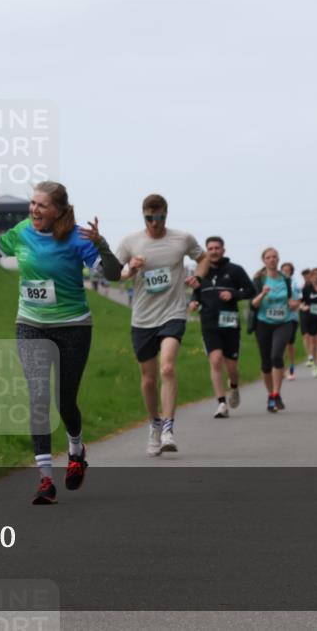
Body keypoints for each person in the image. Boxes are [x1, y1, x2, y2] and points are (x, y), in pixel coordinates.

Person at [0, 184, 120, 504]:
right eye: (32, 204)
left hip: (73, 327)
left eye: (42, 206)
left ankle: (76, 450)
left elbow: (114, 275)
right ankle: (45, 480)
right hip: (30, 325)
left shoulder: (79, 238)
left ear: (59, 210)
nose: (34, 211)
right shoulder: (24, 230)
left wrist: (102, 245)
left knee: (65, 400)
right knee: (38, 398)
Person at [116, 194, 209, 455]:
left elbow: (202, 258)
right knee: (148, 378)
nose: (155, 223)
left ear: (166, 214)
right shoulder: (130, 242)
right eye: (150, 218)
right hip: (143, 318)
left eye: (160, 218)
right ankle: (154, 423)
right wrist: (131, 269)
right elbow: (115, 274)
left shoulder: (182, 239)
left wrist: (198, 278)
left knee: (167, 367)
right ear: (143, 215)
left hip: (173, 313)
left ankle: (168, 428)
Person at [188, 236, 256, 418]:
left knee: (232, 367)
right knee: (216, 359)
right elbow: (195, 294)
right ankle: (221, 404)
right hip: (209, 323)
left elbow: (251, 291)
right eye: (210, 248)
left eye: (217, 248)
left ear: (223, 250)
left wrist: (233, 294)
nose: (214, 251)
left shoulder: (235, 270)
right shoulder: (201, 273)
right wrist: (193, 302)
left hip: (230, 323)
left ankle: (234, 386)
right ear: (206, 251)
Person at [250, 248, 299, 412]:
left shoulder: (285, 279)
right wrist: (263, 294)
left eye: (274, 257)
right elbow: (253, 304)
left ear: (278, 260)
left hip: (283, 322)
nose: (272, 260)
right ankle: (270, 395)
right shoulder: (258, 279)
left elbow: (293, 300)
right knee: (265, 362)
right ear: (263, 260)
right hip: (263, 323)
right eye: (268, 257)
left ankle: (277, 393)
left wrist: (294, 304)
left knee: (276, 355)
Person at [281, 262, 302, 380]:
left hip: (292, 317)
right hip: (279, 317)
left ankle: (291, 366)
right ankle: (282, 369)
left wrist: (295, 304)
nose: (285, 272)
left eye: (288, 270)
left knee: (290, 344)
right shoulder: (278, 282)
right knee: (281, 344)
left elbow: (300, 299)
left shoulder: (295, 284)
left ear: (291, 271)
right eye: (283, 270)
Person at [298, 268, 316, 368]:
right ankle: (309, 356)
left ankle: (313, 354)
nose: (306, 278)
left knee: (313, 336)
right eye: (304, 276)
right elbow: (298, 300)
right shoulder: (301, 288)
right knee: (305, 335)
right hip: (304, 312)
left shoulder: (316, 287)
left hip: (315, 313)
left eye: (308, 276)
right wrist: (301, 306)